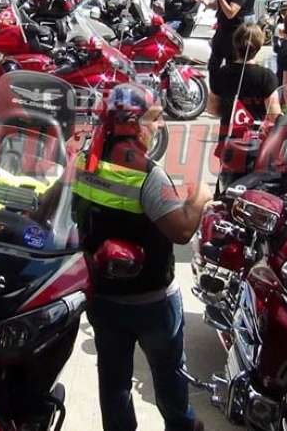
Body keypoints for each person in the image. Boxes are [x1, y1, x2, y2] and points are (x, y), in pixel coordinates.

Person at [73, 83, 210, 431]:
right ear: (133, 124)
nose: (159, 125)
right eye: (154, 118)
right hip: (152, 302)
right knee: (169, 374)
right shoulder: (149, 175)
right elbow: (181, 230)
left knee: (113, 379)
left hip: (102, 297)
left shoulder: (85, 161)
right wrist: (198, 198)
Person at [207, 24, 281, 139]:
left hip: (228, 138)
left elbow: (212, 109)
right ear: (259, 46)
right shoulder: (267, 76)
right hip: (256, 138)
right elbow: (274, 114)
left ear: (235, 44)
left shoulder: (222, 73)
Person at [204, 0, 248, 88]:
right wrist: (206, 2)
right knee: (213, 64)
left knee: (231, 65)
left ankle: (230, 91)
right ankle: (214, 90)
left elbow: (230, 13)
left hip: (233, 33)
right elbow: (217, 6)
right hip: (221, 30)